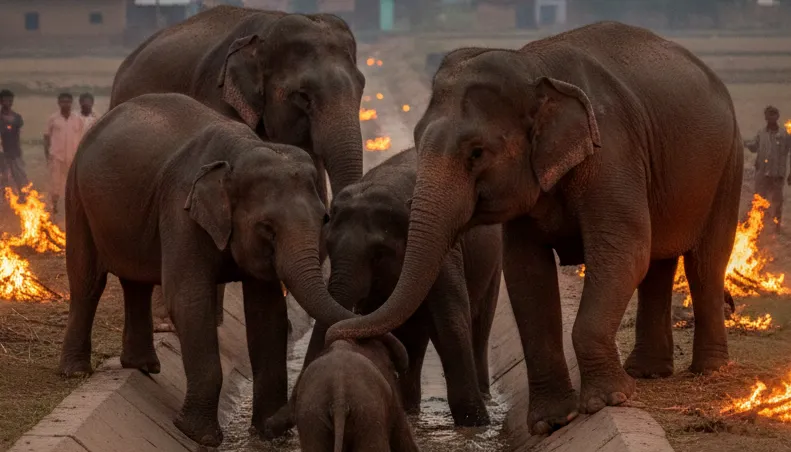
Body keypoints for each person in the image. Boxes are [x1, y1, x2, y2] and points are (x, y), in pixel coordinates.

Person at [745, 105, 791, 229]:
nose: (771, 116)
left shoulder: (785, 135)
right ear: (765, 117)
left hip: (777, 175)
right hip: (762, 174)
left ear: (777, 116)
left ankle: (776, 227)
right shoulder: (761, 133)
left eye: (774, 113)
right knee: (759, 201)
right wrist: (745, 143)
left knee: (777, 203)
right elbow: (754, 147)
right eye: (769, 114)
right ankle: (758, 228)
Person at [44, 93, 84, 215]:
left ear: (71, 103)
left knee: (72, 183)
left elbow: (82, 137)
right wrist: (47, 155)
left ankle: (72, 208)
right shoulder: (53, 119)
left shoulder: (78, 119)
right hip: (56, 156)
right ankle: (54, 206)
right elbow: (46, 137)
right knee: (55, 183)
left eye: (68, 102)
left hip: (73, 156)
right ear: (59, 103)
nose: (65, 104)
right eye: (63, 102)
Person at [0, 89, 29, 201]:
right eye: (5, 100)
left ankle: (22, 196)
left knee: (19, 175)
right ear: (1, 102)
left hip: (14, 150)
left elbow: (17, 133)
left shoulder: (17, 117)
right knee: (4, 176)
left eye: (10, 100)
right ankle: (4, 199)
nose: (8, 102)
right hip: (2, 152)